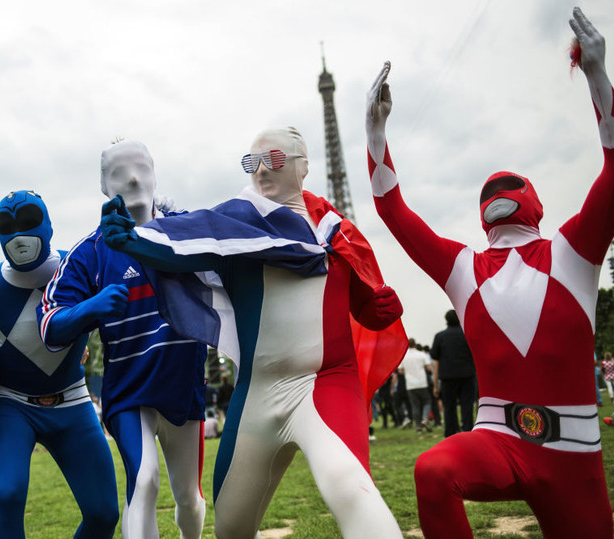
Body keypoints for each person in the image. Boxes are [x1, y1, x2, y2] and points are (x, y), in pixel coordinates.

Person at [365, 8, 614, 538]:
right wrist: (374, 132)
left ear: (536, 205)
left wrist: (597, 73)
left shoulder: (572, 252)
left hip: (572, 457)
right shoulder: (465, 267)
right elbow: (392, 209)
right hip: (498, 441)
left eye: (508, 186)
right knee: (433, 469)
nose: (496, 190)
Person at [99, 127, 408, 538]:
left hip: (323, 382)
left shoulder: (336, 233)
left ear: (303, 166)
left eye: (275, 159)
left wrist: (379, 306)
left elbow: (366, 307)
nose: (262, 171)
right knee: (231, 526)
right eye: (252, 163)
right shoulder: (231, 225)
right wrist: (132, 241)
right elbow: (178, 244)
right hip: (256, 391)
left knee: (348, 485)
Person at [38, 140, 208, 539]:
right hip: (130, 389)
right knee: (144, 479)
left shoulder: (185, 231)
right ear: (104, 186)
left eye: (141, 167)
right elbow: (49, 325)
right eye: (119, 172)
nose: (132, 178)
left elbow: (226, 256)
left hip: (184, 384)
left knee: (189, 497)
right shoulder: (89, 253)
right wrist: (90, 307)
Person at [0, 190, 118, 538]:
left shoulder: (81, 268)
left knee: (104, 512)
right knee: (6, 493)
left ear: (48, 224)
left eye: (29, 222)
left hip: (72, 399)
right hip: (10, 404)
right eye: (7, 225)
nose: (18, 235)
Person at [430, 310, 476, 436]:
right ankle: (468, 430)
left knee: (449, 406)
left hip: (447, 377)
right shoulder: (466, 334)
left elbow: (435, 360)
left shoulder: (440, 336)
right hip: (467, 375)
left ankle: (451, 432)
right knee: (467, 405)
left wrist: (435, 385)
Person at [399, 339, 433, 433]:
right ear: (415, 345)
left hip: (410, 384)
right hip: (422, 383)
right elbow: (429, 368)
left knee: (415, 406)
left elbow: (400, 371)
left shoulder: (404, 356)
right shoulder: (421, 354)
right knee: (427, 402)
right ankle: (425, 419)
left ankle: (418, 428)